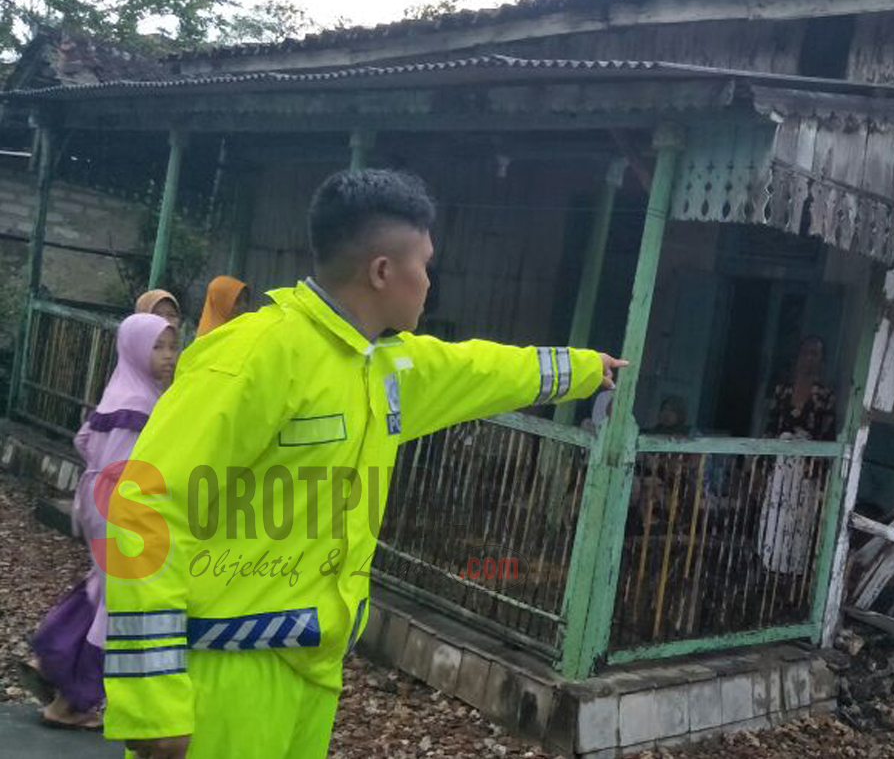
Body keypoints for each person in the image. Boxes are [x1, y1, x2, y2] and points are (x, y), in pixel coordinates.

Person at [102, 169, 625, 759]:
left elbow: (484, 370)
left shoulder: (386, 368)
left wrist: (585, 369)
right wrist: (153, 700)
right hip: (221, 673)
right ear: (382, 271)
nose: (430, 282)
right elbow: (144, 504)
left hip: (312, 670)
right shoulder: (255, 356)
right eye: (424, 265)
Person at [27, 313, 178, 730]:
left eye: (172, 345)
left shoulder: (123, 390)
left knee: (100, 591)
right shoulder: (138, 404)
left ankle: (53, 658)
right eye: (157, 346)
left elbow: (83, 439)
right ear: (134, 349)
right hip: (121, 514)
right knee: (116, 608)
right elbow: (123, 470)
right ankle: (73, 701)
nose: (168, 356)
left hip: (101, 508)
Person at [757, 336, 837, 575]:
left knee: (799, 517)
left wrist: (817, 469)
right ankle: (768, 565)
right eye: (806, 353)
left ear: (822, 361)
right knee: (774, 513)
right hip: (780, 464)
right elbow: (770, 426)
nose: (810, 359)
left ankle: (792, 572)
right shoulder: (782, 389)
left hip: (806, 467)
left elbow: (827, 434)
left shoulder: (825, 395)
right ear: (798, 356)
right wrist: (762, 463)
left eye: (816, 354)